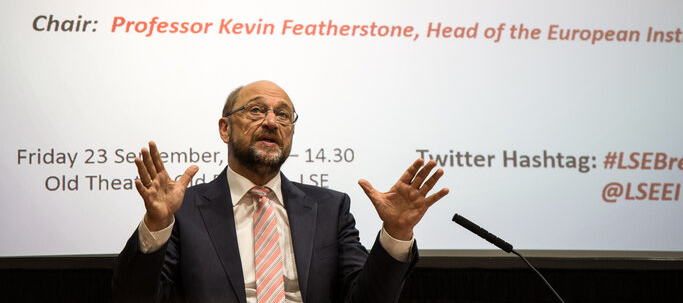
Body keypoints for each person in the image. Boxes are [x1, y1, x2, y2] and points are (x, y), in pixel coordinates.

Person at [112, 80, 449, 303]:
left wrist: (397, 232)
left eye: (283, 115)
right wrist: (156, 225)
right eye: (256, 110)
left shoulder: (330, 209)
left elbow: (367, 299)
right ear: (225, 129)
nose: (272, 122)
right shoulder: (184, 212)